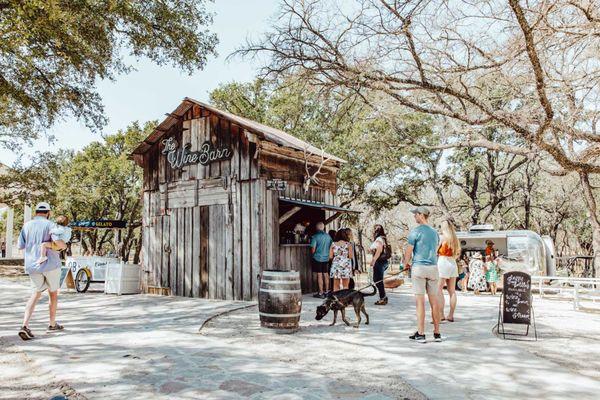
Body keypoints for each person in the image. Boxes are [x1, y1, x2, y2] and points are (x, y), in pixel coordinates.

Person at [17, 202, 66, 340]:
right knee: (53, 293)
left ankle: (24, 325)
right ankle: (51, 323)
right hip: (51, 265)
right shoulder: (51, 225)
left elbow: (20, 245)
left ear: (36, 212)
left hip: (32, 266)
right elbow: (59, 243)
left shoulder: (26, 225)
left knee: (35, 294)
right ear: (48, 213)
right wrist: (63, 246)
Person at [403, 206, 442, 343]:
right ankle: (437, 333)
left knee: (420, 303)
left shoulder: (416, 232)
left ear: (421, 215)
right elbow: (435, 249)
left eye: (416, 214)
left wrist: (405, 264)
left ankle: (421, 333)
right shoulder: (435, 233)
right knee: (434, 302)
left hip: (419, 268)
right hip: (433, 268)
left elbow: (409, 251)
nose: (414, 217)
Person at [436, 220, 461, 322]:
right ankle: (451, 315)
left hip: (443, 261)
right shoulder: (455, 239)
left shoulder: (442, 237)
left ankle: (441, 314)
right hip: (452, 262)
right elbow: (458, 253)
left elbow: (435, 250)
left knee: (438, 289)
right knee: (452, 291)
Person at [310, 222, 332, 298]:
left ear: (317, 228)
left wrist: (313, 255)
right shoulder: (328, 236)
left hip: (318, 258)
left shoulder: (315, 237)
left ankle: (321, 293)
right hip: (326, 258)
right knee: (326, 274)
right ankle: (327, 292)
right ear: (323, 228)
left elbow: (313, 249)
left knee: (319, 275)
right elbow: (331, 247)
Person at [369, 225, 390, 305]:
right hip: (383, 261)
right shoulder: (383, 238)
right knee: (378, 280)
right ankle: (383, 297)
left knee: (378, 280)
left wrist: (374, 260)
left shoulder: (379, 239)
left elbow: (379, 250)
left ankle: (383, 298)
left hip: (379, 261)